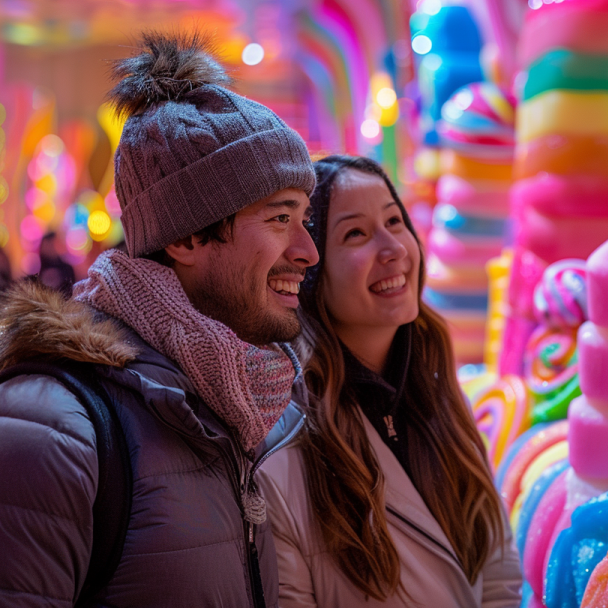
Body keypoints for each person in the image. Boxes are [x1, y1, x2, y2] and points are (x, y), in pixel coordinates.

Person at [0, 31, 318, 608]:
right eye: (279, 219)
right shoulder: (51, 427)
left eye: (306, 219)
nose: (307, 252)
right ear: (189, 237)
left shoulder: (230, 403)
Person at [256, 155, 522, 607]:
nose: (394, 248)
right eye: (355, 233)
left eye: (395, 221)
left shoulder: (440, 395)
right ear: (312, 274)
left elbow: (499, 579)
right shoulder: (285, 445)